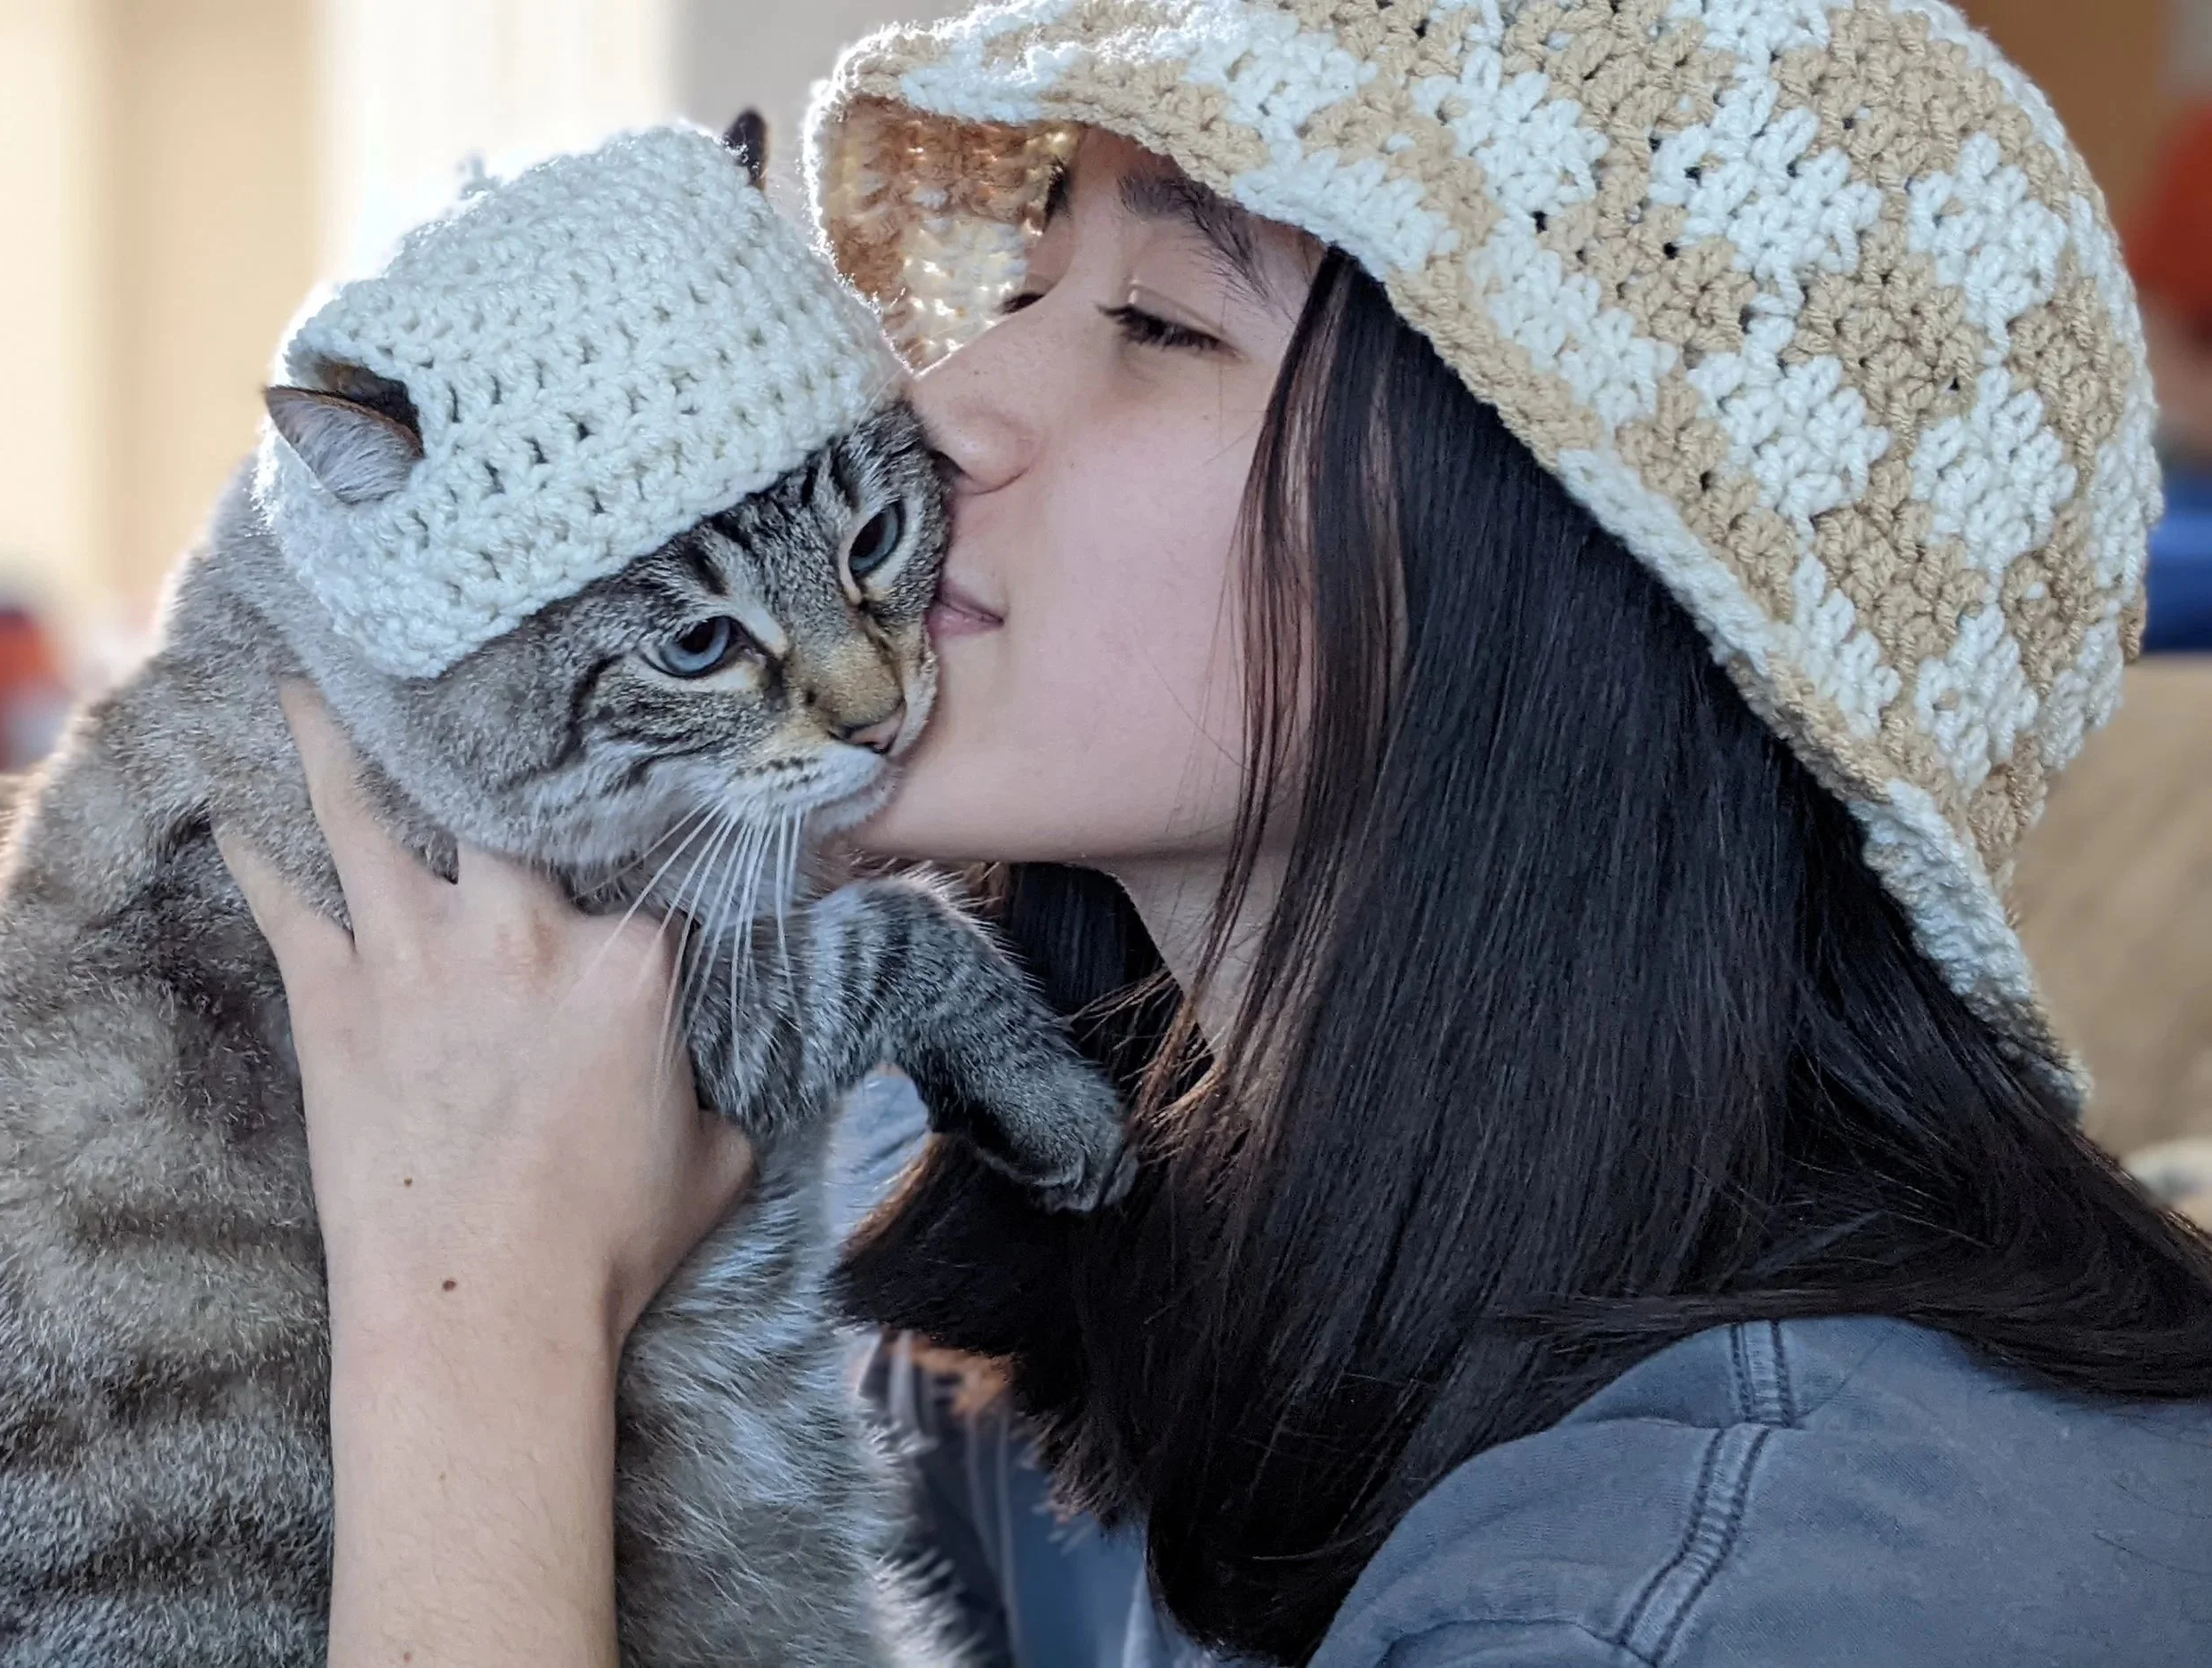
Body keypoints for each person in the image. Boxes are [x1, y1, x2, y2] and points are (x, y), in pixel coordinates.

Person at [218, 3, 2212, 1664]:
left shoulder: (1728, 1592)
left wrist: (473, 1325)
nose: (941, 397)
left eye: (1160, 323)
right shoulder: (1011, 1192)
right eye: (1018, 280)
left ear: (1581, 581)